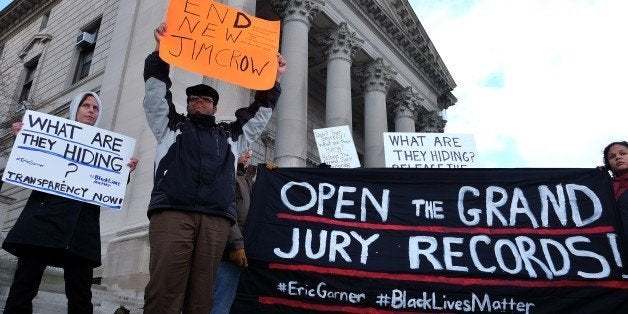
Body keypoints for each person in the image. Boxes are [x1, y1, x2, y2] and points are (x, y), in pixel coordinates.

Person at [142, 23, 286, 313]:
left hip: (215, 220)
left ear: (215, 107)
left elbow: (259, 116)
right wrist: (160, 53)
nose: (199, 102)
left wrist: (273, 78)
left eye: (206, 99)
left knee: (202, 296)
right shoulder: (171, 126)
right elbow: (156, 95)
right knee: (164, 290)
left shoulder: (232, 135)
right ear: (188, 104)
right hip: (173, 212)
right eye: (194, 99)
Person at [2, 92, 138, 314]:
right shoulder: (49, 138)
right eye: (86, 105)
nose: (91, 110)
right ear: (76, 109)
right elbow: (30, 165)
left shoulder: (108, 149)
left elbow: (107, 189)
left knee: (81, 297)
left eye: (95, 107)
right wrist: (22, 141)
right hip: (43, 224)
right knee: (23, 289)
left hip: (81, 231)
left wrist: (122, 172)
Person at [210, 150, 256, 314]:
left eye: (250, 151)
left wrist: (271, 176)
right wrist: (237, 244)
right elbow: (225, 212)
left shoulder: (245, 179)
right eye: (245, 151)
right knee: (220, 304)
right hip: (227, 251)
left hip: (241, 251)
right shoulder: (226, 175)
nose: (249, 155)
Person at [603, 141, 628, 241]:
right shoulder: (606, 187)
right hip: (616, 247)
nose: (618, 157)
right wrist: (596, 179)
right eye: (612, 157)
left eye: (623, 153)